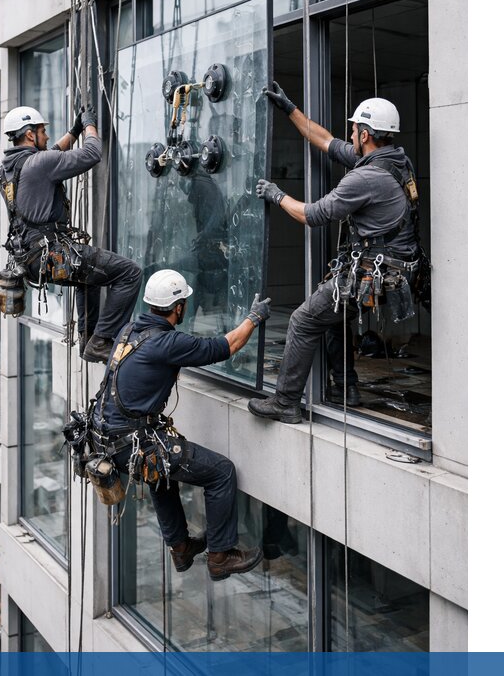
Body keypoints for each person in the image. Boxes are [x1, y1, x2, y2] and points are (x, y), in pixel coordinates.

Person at [248, 82, 420, 424]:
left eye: (354, 129)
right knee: (332, 315)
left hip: (379, 272)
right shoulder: (395, 160)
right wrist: (290, 109)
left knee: (303, 319)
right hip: (396, 268)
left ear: (366, 134)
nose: (350, 133)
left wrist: (277, 194)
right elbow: (326, 141)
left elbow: (312, 215)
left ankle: (285, 402)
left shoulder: (365, 178)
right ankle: (345, 387)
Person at [92, 269, 271, 581]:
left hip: (107, 439)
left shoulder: (128, 331)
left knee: (160, 473)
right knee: (221, 472)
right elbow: (225, 346)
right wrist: (254, 318)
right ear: (178, 308)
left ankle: (181, 548)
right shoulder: (166, 342)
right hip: (130, 441)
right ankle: (220, 556)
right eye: (184, 302)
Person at [0, 105, 141, 362]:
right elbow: (92, 153)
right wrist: (89, 125)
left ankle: (89, 341)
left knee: (89, 277)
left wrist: (74, 131)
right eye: (43, 131)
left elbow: (52, 154)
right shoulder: (39, 163)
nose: (47, 137)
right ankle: (101, 340)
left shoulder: (10, 169)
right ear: (30, 135)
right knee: (130, 273)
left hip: (31, 259)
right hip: (50, 254)